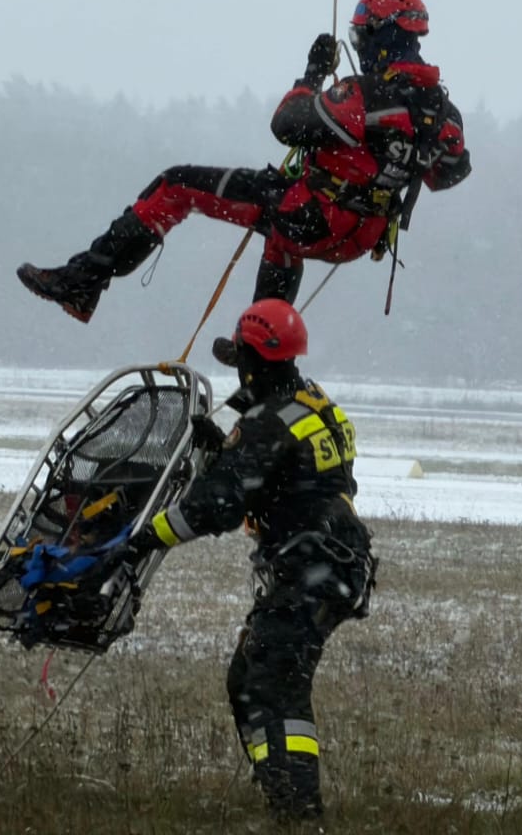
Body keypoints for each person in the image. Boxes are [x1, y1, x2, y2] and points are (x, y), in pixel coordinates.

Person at [16, 0, 472, 323]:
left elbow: (286, 123)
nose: (359, 48)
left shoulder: (364, 95)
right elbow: (449, 173)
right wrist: (394, 161)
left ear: (381, 36)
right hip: (362, 237)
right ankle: (262, 348)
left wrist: (312, 74)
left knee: (176, 185)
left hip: (312, 218)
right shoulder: (444, 113)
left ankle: (83, 281)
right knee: (280, 237)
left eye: (360, 39)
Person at [122, 298, 375, 820]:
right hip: (333, 562)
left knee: (274, 686)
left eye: (239, 358)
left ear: (252, 360)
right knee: (247, 680)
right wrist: (227, 454)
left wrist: (145, 538)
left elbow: (213, 507)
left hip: (312, 569)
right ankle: (280, 788)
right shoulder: (312, 404)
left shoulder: (267, 422)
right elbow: (291, 478)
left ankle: (298, 814)